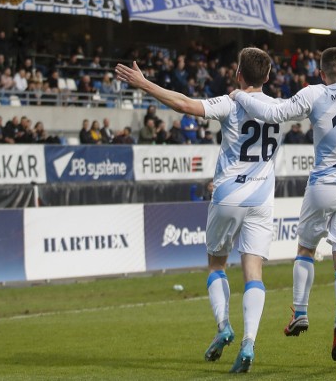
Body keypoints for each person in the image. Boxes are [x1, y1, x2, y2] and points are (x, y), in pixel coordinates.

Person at [117, 48, 282, 373]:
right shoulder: (280, 108)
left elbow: (183, 104)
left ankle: (224, 326)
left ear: (238, 75)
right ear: (267, 77)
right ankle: (249, 341)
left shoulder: (230, 102)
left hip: (228, 196)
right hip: (262, 200)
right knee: (254, 273)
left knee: (216, 265)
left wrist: (145, 83)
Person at [231, 16, 336, 362]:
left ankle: (300, 311)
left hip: (324, 185)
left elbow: (276, 112)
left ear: (322, 74)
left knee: (306, 249)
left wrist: (239, 95)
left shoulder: (315, 94)